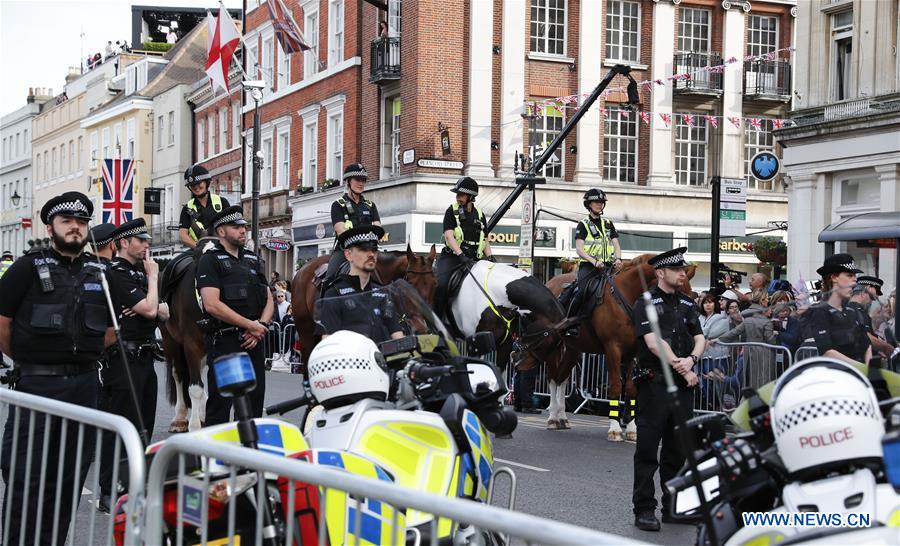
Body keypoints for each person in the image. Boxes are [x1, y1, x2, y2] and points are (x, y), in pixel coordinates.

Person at [0, 191, 113, 545]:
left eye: (81, 222)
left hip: (83, 388)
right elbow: (2, 323)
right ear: (51, 227)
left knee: (69, 480)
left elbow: (110, 331)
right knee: (26, 479)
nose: (75, 227)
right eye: (67, 221)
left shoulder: (101, 273)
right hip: (38, 387)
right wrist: (29, 359)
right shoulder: (26, 267)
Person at [97, 218, 169, 512]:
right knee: (121, 427)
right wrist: (152, 284)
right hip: (122, 359)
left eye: (146, 240)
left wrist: (148, 308)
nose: (146, 245)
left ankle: (134, 485)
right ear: (123, 243)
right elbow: (153, 308)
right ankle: (109, 489)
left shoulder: (136, 272)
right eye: (140, 240)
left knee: (143, 427)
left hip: (144, 356)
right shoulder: (118, 273)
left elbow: (164, 311)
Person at [631, 247, 705, 532]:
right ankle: (644, 509)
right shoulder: (646, 302)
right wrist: (683, 367)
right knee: (648, 451)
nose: (682, 273)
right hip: (655, 385)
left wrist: (692, 360)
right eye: (676, 269)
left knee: (677, 451)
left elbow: (700, 337)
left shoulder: (688, 304)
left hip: (683, 387)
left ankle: (673, 506)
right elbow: (653, 343)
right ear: (660, 273)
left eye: (683, 269)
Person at [196, 206, 273, 424]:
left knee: (253, 407)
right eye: (236, 227)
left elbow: (267, 298)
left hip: (254, 341)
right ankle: (214, 457)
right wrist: (251, 325)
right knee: (220, 406)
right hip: (226, 342)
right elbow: (211, 304)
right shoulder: (210, 260)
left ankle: (247, 454)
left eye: (244, 226)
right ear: (221, 232)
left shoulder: (253, 259)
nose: (243, 230)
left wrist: (260, 326)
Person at [316, 225, 403, 342]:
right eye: (363, 249)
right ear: (348, 255)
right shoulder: (335, 293)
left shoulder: (383, 293)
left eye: (374, 249)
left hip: (380, 358)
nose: (371, 254)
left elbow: (397, 335)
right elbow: (327, 342)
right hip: (350, 359)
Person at [434, 177, 496, 322]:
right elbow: (449, 236)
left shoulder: (480, 214)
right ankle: (436, 323)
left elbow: (485, 239)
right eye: (457, 194)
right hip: (453, 257)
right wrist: (461, 255)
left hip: (475, 259)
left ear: (471, 197)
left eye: (461, 194)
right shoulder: (451, 211)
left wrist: (491, 258)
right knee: (441, 285)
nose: (458, 197)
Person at [800, 253, 871, 365]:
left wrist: (868, 367)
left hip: (858, 377)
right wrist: (860, 368)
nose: (855, 281)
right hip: (836, 376)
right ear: (834, 278)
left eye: (854, 276)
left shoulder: (852, 310)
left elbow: (866, 344)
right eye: (849, 275)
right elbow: (827, 351)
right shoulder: (819, 312)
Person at [323, 163, 381, 287]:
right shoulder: (338, 205)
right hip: (346, 251)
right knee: (330, 277)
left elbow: (378, 227)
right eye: (357, 180)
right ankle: (324, 303)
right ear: (348, 181)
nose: (361, 183)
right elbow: (340, 230)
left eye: (363, 180)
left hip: (369, 249)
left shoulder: (370, 205)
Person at [567, 189, 622, 321]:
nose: (600, 205)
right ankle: (570, 322)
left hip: (608, 267)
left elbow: (616, 244)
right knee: (581, 293)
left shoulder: (608, 224)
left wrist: (618, 258)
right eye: (596, 202)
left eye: (602, 202)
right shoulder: (583, 224)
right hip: (590, 267)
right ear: (589, 204)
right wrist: (594, 262)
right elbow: (579, 250)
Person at [716, 289, 778, 390]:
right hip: (763, 355)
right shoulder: (766, 322)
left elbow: (733, 333)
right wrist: (776, 335)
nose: (768, 301)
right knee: (763, 385)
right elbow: (771, 341)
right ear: (762, 301)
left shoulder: (747, 318)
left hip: (748, 353)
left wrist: (716, 340)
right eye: (766, 299)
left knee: (748, 385)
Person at [179, 164, 230, 249]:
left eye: (198, 183)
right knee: (175, 262)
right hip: (198, 249)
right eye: (192, 185)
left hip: (222, 248)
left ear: (206, 182)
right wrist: (199, 247)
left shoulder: (222, 202)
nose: (196, 187)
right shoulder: (187, 208)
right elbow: (182, 234)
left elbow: (231, 227)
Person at [849, 275, 893, 358]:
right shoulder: (857, 311)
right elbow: (866, 337)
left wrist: (876, 351)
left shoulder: (852, 309)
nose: (870, 302)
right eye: (871, 298)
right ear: (868, 288)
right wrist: (888, 348)